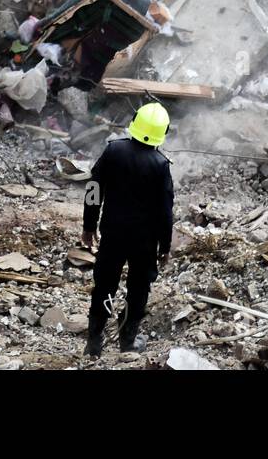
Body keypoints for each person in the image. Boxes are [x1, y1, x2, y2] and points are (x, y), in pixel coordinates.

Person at [81, 102, 174, 357]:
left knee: (104, 285)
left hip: (112, 234)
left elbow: (93, 190)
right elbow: (166, 212)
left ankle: (94, 342)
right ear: (162, 132)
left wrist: (89, 226)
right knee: (138, 288)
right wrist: (165, 247)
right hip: (145, 242)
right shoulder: (160, 165)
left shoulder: (113, 151)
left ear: (134, 123)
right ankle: (128, 342)